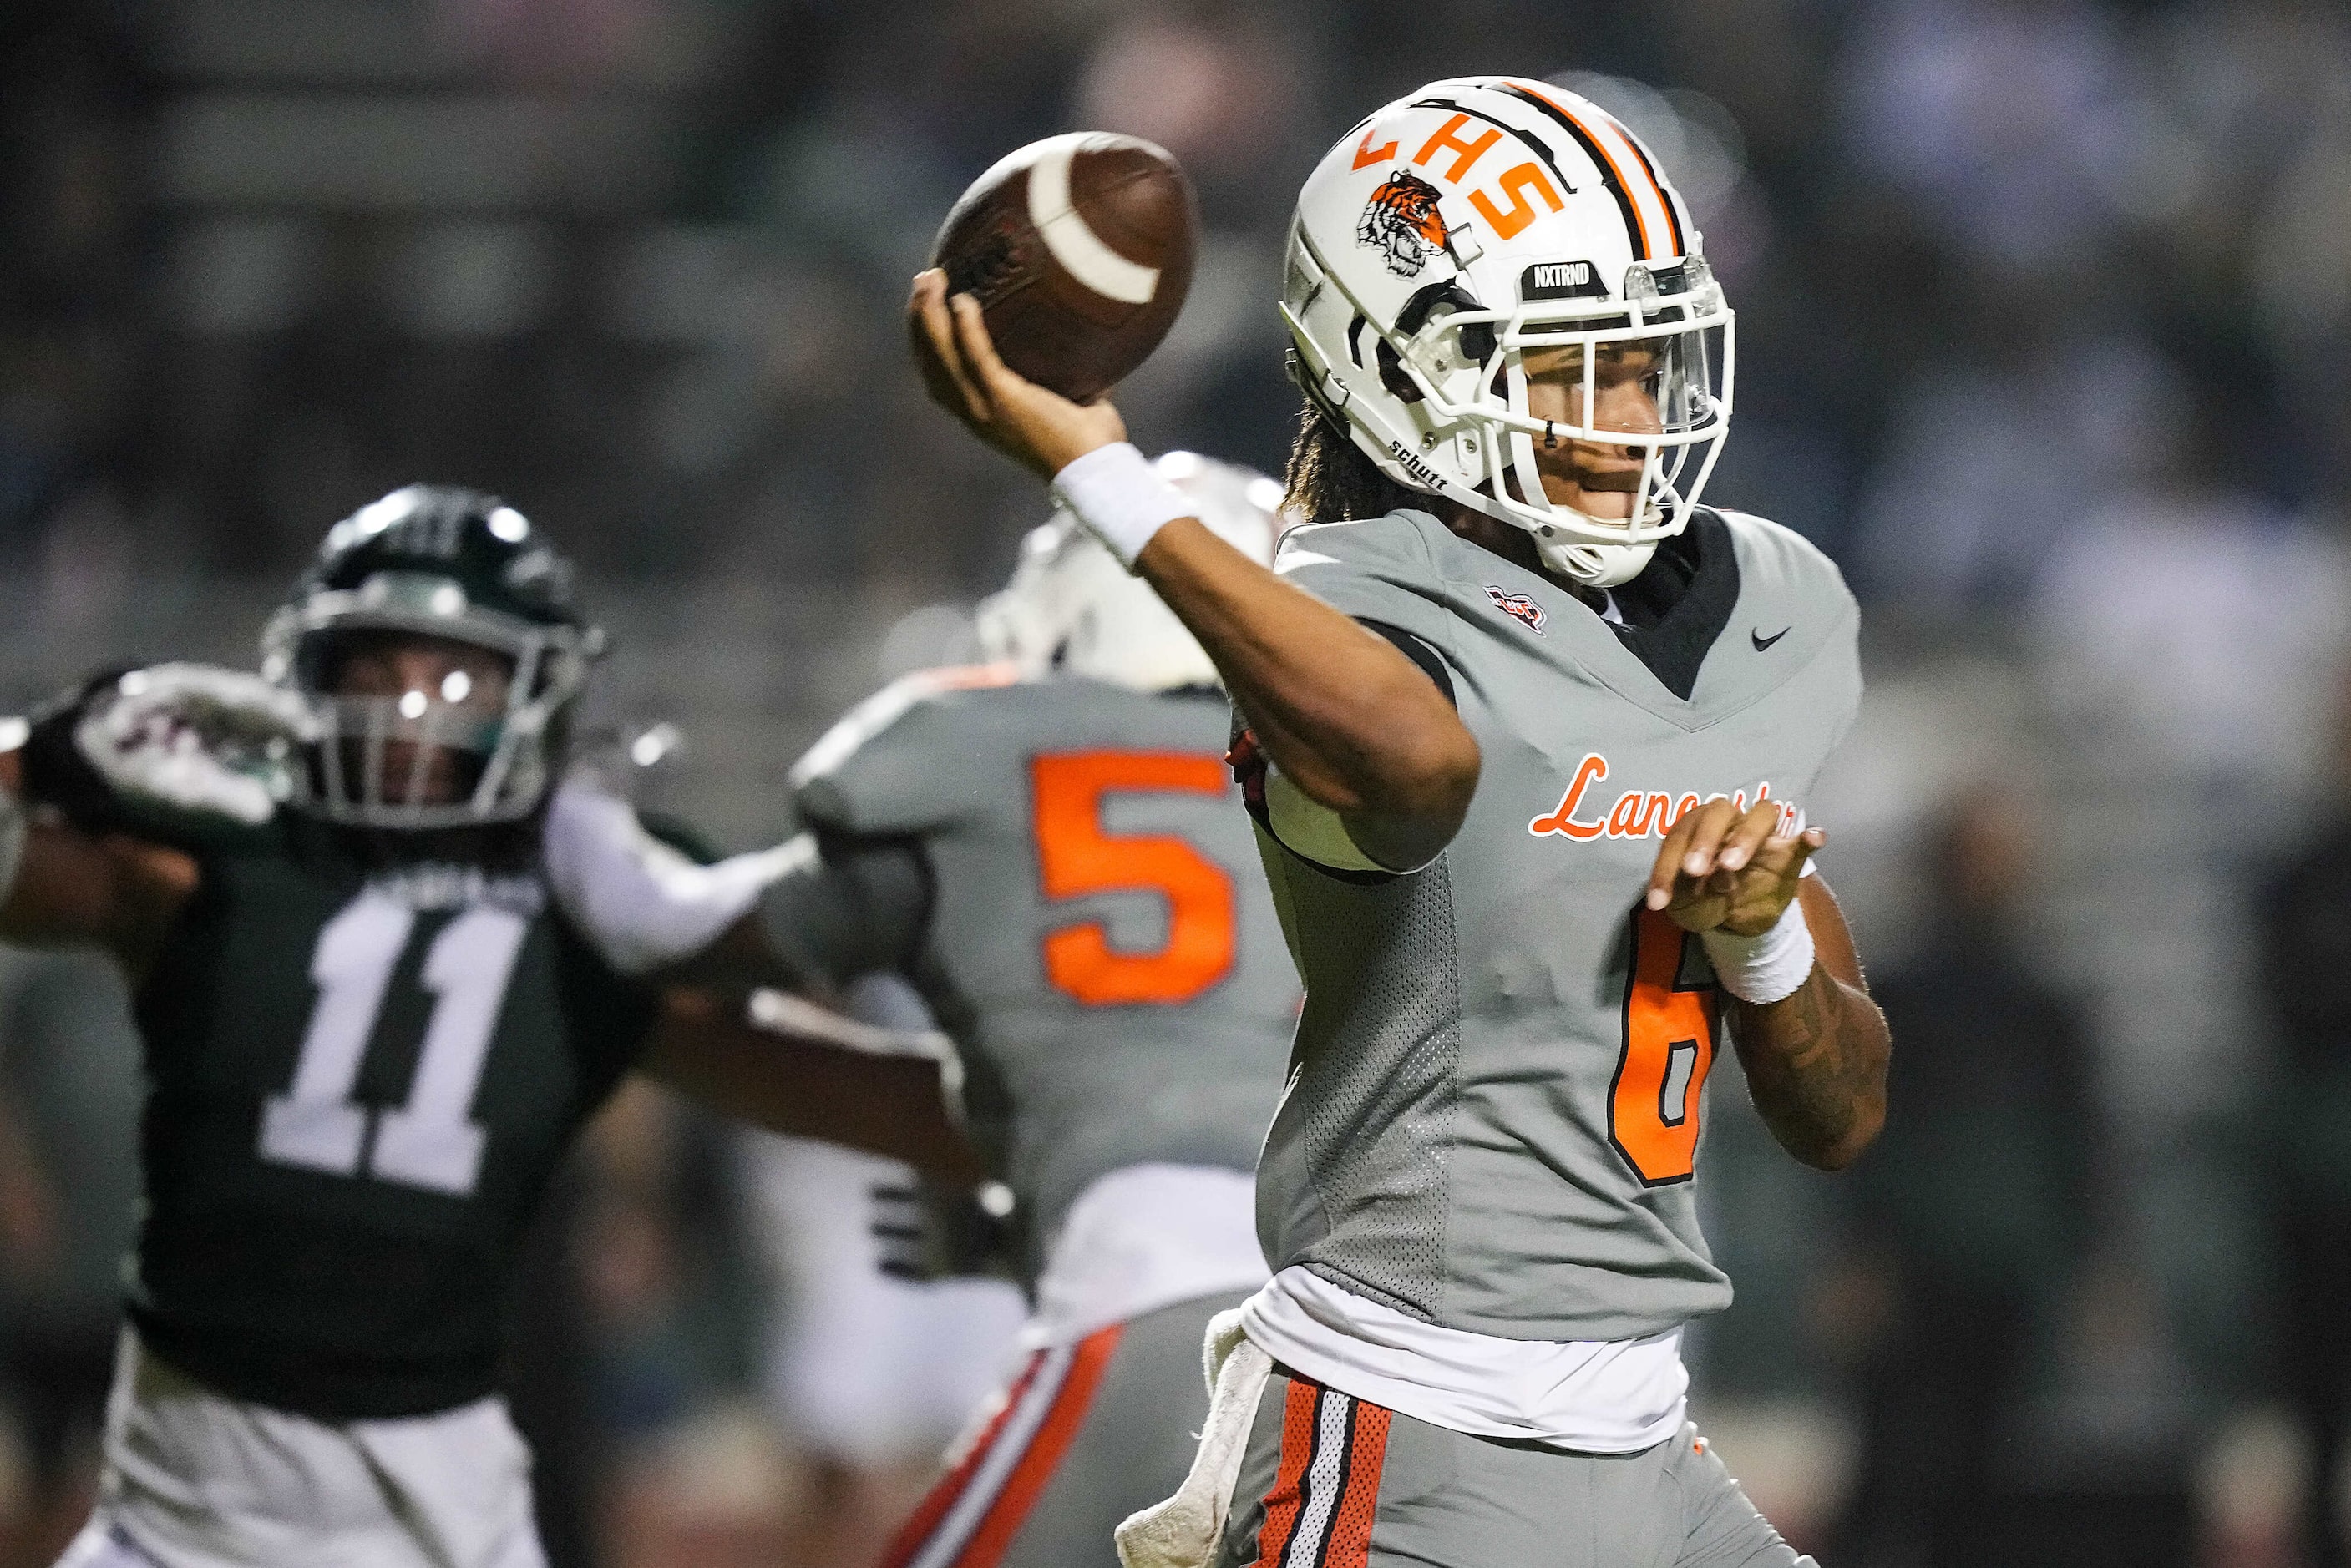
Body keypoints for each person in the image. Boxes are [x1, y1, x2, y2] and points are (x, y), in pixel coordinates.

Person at [911, 75, 1890, 1568]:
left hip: (1648, 1434)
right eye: (1570, 369)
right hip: (1406, 1429)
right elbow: (1423, 764)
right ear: (1400, 369)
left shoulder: (1771, 608)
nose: (1630, 416)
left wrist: (1758, 947)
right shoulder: (1346, 606)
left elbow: (1842, 1113)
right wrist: (1095, 468)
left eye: (1647, 361)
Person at [0, 484, 976, 1568]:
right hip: (187, 1508)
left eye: (456, 675)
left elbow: (847, 1087)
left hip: (439, 1519)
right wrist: (44, 752)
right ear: (309, 677)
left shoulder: (583, 903)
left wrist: (1084, 1121)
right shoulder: (208, 860)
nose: (411, 712)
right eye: (377, 668)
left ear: (537, 693)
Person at [755, 453, 1303, 1568]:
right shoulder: (1359, 808)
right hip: (1370, 1299)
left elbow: (736, 949)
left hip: (1137, 1251)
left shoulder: (990, 770)